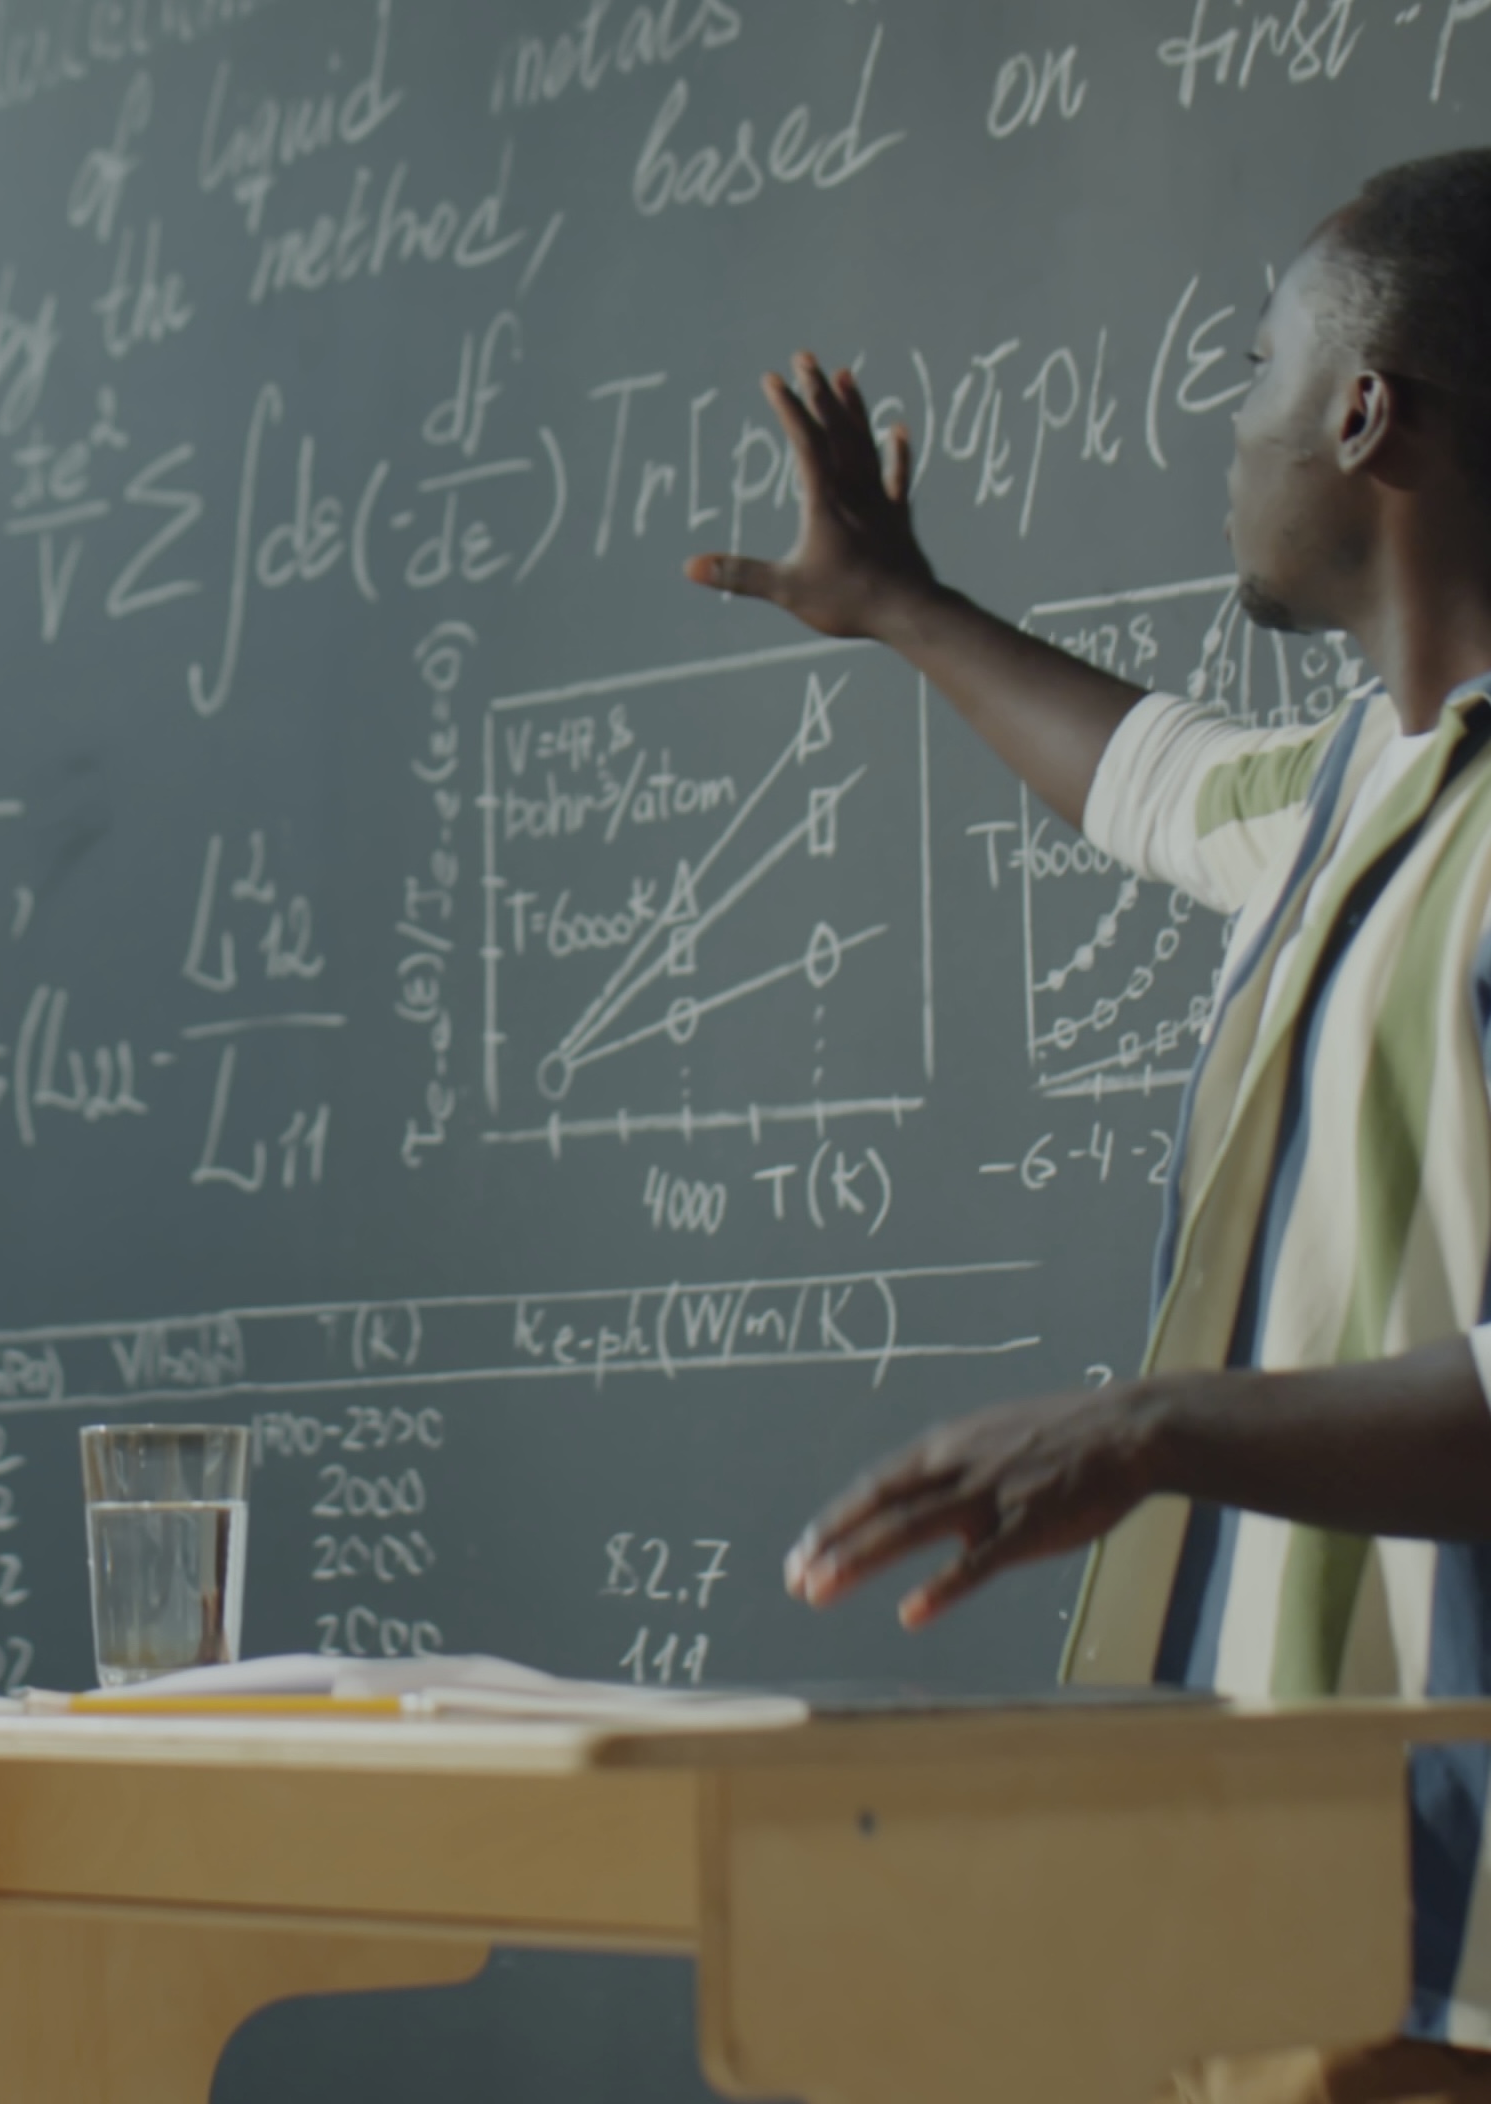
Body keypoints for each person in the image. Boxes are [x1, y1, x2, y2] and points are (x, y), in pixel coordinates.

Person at [687, 149, 1491, 2103]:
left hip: (1453, 1917)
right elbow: (1140, 779)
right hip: (1272, 1858)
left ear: (1358, 409)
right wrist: (897, 604)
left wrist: (1146, 1427)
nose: (1224, 430)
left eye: (1247, 369)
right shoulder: (1352, 794)